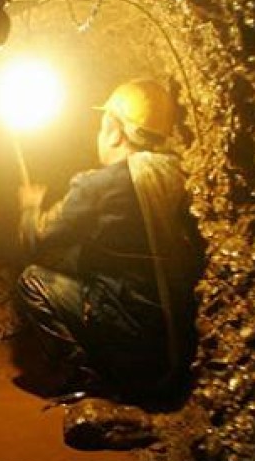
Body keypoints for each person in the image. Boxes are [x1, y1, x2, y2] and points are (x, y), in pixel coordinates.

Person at [15, 78, 204, 403]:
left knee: (33, 280)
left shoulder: (99, 185)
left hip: (131, 338)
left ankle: (85, 379)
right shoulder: (175, 174)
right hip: (177, 345)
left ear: (116, 132)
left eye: (103, 127)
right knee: (79, 260)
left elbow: (37, 239)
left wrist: (30, 209)